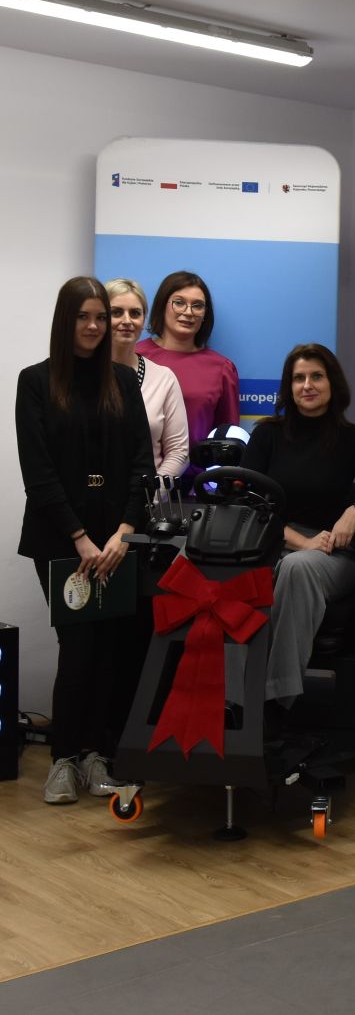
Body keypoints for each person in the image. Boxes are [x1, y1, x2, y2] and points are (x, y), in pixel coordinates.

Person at [16, 277, 154, 803]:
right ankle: (63, 760)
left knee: (111, 649)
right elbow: (38, 474)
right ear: (65, 320)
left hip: (116, 540)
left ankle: (97, 756)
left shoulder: (123, 381)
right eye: (84, 317)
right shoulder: (35, 381)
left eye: (101, 317)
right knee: (77, 646)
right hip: (60, 540)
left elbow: (142, 465)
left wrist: (124, 532)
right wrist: (79, 537)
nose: (95, 326)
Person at [243, 344, 355, 705]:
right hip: (274, 541)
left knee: (297, 568)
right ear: (288, 387)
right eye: (298, 378)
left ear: (333, 383)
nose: (307, 385)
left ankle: (276, 700)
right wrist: (299, 542)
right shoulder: (266, 434)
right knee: (227, 567)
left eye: (317, 376)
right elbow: (250, 502)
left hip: (332, 551)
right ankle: (227, 697)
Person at [135, 271, 239, 465]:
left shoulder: (222, 369)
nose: (188, 312)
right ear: (162, 305)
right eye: (179, 302)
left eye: (197, 306)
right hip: (139, 475)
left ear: (205, 314)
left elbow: (226, 440)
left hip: (198, 479)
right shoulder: (134, 356)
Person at [107, 279, 188, 478]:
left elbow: (178, 452)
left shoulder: (163, 378)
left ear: (143, 320)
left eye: (135, 313)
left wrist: (152, 492)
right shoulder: (81, 374)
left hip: (148, 493)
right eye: (116, 312)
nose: (127, 320)